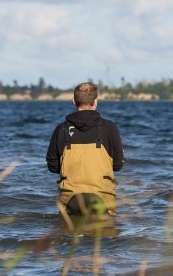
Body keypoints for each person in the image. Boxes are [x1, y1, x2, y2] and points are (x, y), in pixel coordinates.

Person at [46, 82, 125, 216]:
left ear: (73, 101)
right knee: (107, 234)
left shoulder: (61, 129)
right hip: (103, 200)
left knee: (68, 234)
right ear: (96, 102)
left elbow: (52, 167)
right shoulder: (110, 128)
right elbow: (117, 165)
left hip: (70, 200)